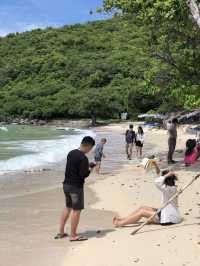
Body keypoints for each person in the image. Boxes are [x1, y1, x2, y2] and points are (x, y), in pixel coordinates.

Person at [113, 160, 182, 227]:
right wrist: (155, 165)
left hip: (168, 218)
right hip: (167, 212)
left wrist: (166, 175)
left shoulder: (168, 189)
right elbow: (159, 176)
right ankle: (124, 219)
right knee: (142, 207)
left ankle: (121, 223)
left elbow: (157, 181)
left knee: (142, 212)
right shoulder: (170, 187)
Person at [55, 136, 95, 241]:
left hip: (66, 185)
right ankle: (73, 235)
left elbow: (71, 169)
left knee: (67, 207)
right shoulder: (83, 158)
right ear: (89, 146)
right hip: (75, 187)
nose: (90, 151)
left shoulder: (71, 153)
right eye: (91, 148)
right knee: (76, 210)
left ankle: (61, 232)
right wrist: (90, 168)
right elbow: (83, 175)